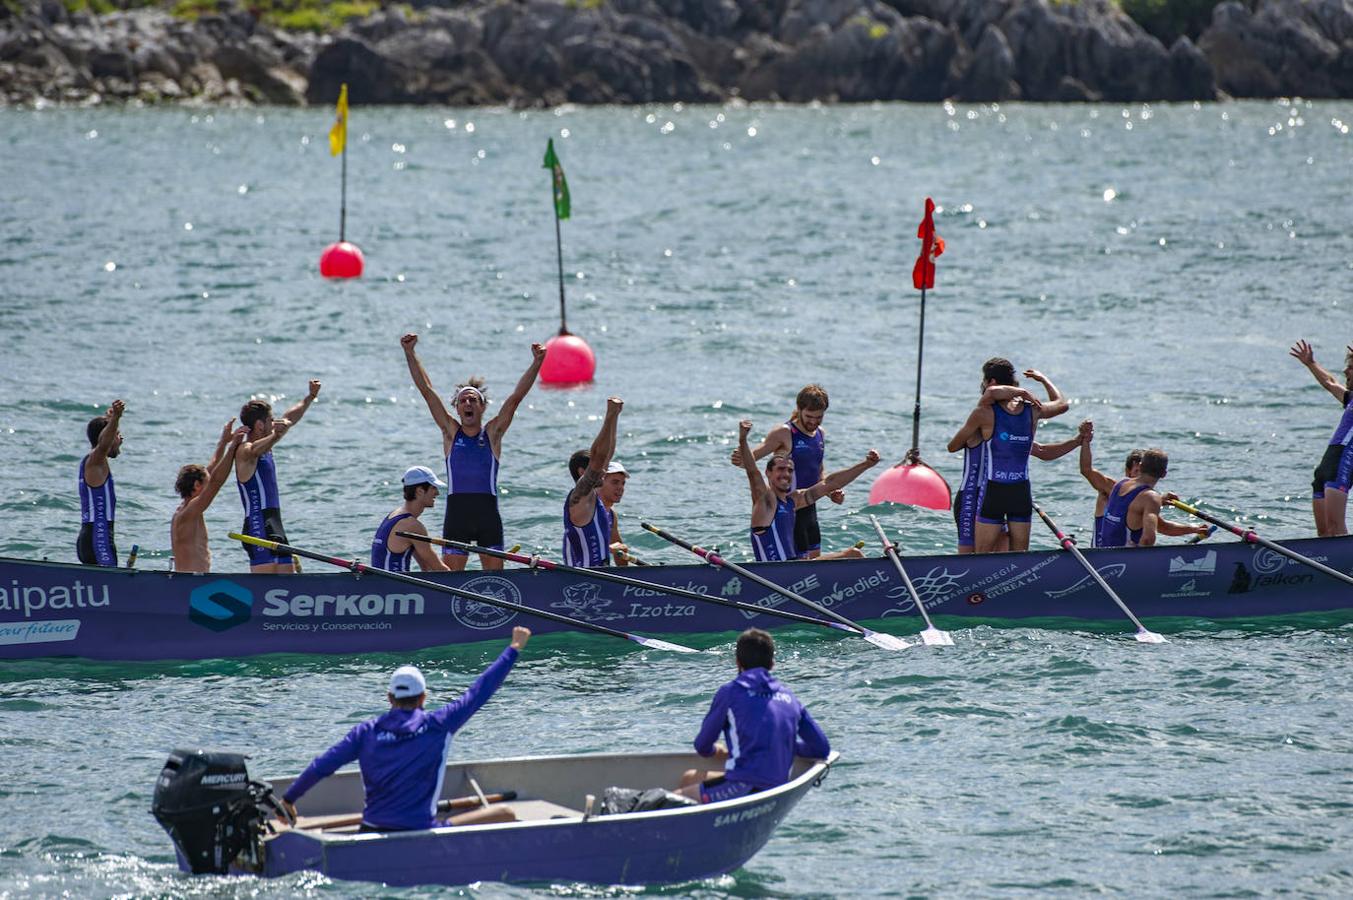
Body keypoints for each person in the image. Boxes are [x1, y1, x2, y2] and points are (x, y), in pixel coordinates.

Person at [280, 627, 531, 832]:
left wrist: (288, 800)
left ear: (389, 698)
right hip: (421, 832)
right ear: (423, 698)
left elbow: (322, 766)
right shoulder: (438, 725)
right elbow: (479, 691)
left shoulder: (366, 732)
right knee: (505, 813)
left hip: (370, 829)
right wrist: (514, 648)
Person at [402, 334, 546, 571]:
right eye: (463, 401)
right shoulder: (450, 433)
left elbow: (516, 398)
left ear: (482, 407)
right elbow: (427, 392)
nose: (468, 404)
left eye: (473, 400)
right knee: (452, 580)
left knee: (495, 580)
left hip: (487, 514)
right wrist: (410, 353)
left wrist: (537, 362)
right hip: (457, 515)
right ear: (456, 408)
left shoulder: (493, 434)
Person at [676, 628, 829, 804]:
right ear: (772, 663)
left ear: (738, 662)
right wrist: (781, 745)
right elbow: (821, 748)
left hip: (745, 785)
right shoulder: (790, 697)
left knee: (669, 801)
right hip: (778, 789)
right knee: (689, 778)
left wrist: (715, 750)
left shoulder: (730, 692)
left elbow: (702, 746)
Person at [947, 360, 1070, 553]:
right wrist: (1042, 380)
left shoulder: (983, 412)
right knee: (1016, 558)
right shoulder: (1031, 410)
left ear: (991, 381)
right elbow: (1062, 404)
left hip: (991, 493)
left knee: (982, 560)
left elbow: (952, 446)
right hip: (1014, 491)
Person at [735, 419, 879, 561]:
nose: (785, 474)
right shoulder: (765, 501)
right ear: (768, 473)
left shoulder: (794, 500)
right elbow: (752, 471)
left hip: (797, 570)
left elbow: (830, 483)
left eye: (790, 470)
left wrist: (866, 465)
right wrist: (743, 440)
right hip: (774, 574)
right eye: (780, 469)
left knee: (854, 554)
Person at [730, 385, 844, 559]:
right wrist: (741, 456)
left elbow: (819, 472)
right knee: (798, 567)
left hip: (810, 508)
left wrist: (831, 492)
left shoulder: (820, 434)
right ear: (798, 410)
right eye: (809, 417)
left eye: (819, 417)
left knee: (815, 565)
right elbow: (749, 462)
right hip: (789, 510)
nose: (813, 422)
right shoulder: (784, 432)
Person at [235, 380, 322, 574]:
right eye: (270, 420)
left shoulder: (267, 444)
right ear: (259, 425)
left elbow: (290, 417)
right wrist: (276, 435)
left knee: (288, 583)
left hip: (275, 523)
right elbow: (256, 449)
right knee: (266, 588)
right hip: (258, 524)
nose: (274, 423)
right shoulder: (245, 450)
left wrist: (310, 397)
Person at [1290, 339, 1353, 537]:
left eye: (1350, 368)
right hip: (1326, 466)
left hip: (1342, 464)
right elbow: (1329, 382)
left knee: (1336, 529)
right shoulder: (1350, 399)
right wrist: (1310, 363)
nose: (1345, 371)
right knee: (1324, 534)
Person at [171, 419, 247, 573]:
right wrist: (232, 448)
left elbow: (211, 470)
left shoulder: (186, 509)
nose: (209, 482)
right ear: (197, 486)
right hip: (190, 583)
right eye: (206, 482)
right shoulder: (189, 512)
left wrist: (223, 442)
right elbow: (216, 482)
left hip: (194, 580)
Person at [1096, 448, 1207, 547]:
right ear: (1164, 474)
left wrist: (1194, 529)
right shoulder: (1151, 498)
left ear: (1140, 466)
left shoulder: (1120, 484)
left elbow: (1163, 527)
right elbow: (1148, 539)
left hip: (1102, 553)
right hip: (1124, 561)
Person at [563, 397, 623, 568]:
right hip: (581, 580)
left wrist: (615, 417)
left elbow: (606, 456)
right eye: (597, 469)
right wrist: (609, 416)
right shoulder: (579, 498)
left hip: (602, 576)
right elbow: (599, 456)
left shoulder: (598, 503)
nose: (603, 472)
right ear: (582, 472)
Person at [1076, 420, 1145, 547]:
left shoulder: (1149, 497)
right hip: (1103, 556)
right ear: (1128, 472)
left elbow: (1163, 527)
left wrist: (1191, 528)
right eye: (1137, 472)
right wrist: (1085, 441)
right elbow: (1086, 470)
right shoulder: (1112, 489)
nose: (1141, 477)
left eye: (1144, 472)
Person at [371, 466, 452, 572]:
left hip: (381, 583)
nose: (437, 493)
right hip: (396, 586)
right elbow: (439, 569)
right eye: (433, 488)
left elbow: (426, 567)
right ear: (420, 491)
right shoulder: (411, 525)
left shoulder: (394, 515)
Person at [78, 399, 125, 567]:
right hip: (99, 539)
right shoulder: (95, 460)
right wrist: (116, 418)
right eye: (117, 435)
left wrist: (110, 418)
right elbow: (103, 443)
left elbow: (103, 439)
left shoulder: (93, 462)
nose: (121, 439)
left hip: (91, 537)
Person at [599, 461, 633, 566]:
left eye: (623, 483)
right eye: (615, 482)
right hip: (578, 572)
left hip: (600, 573)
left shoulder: (611, 515)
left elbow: (620, 552)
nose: (620, 488)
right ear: (600, 483)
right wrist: (608, 549)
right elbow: (580, 544)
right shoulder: (587, 509)